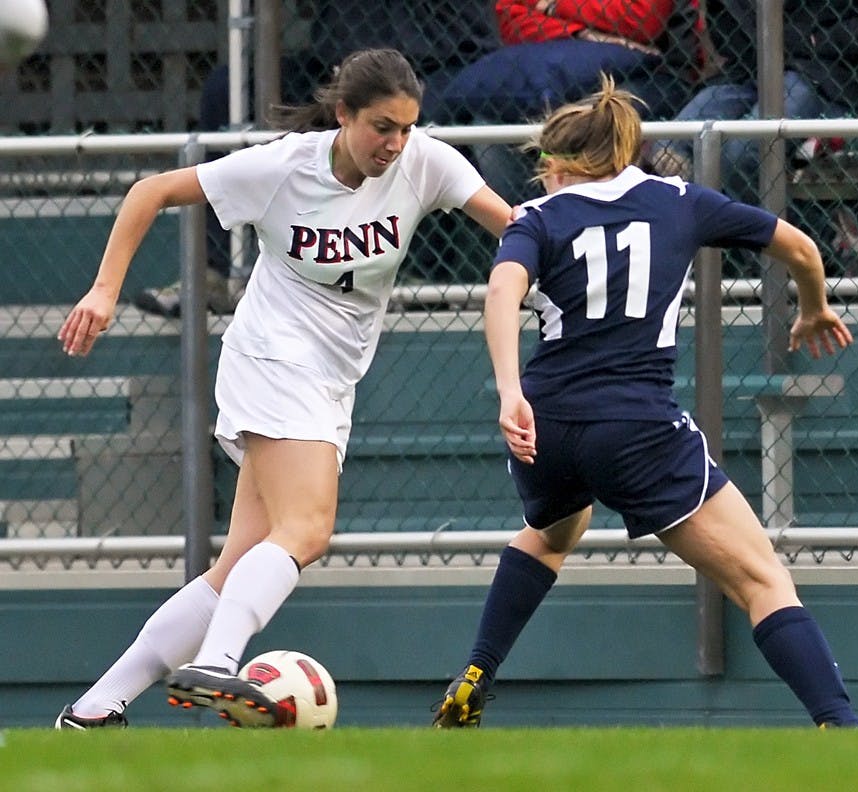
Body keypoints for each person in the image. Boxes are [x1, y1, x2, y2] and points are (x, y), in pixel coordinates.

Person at [53, 47, 512, 729]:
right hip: (271, 358)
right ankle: (218, 663)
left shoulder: (426, 163)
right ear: (344, 114)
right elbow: (150, 192)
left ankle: (93, 709)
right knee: (307, 527)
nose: (395, 143)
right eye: (382, 126)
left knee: (237, 566)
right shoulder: (283, 167)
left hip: (331, 380)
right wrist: (103, 290)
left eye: (407, 127)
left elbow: (513, 228)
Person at [432, 75, 858, 729]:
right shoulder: (677, 200)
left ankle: (476, 672)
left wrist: (509, 391)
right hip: (635, 425)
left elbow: (501, 292)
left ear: (559, 165)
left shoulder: (538, 218)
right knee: (762, 580)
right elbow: (801, 247)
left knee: (553, 533)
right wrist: (813, 306)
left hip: (548, 424)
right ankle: (842, 724)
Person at [133, 0, 503, 316]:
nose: (398, 142)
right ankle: (212, 275)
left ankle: (417, 275)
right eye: (388, 130)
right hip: (339, 70)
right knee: (224, 88)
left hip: (443, 65)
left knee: (415, 119)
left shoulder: (416, 142)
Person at [650, 0, 858, 256]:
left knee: (745, 152)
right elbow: (726, 30)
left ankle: (817, 254)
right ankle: (730, 264)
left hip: (822, 74)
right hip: (748, 73)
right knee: (669, 148)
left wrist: (824, 40)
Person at [441, 0, 705, 204]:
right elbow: (509, 17)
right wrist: (584, 33)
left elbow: (640, 18)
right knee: (490, 122)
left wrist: (555, 6)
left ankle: (598, 230)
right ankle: (531, 230)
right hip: (553, 70)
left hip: (647, 73)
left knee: (598, 117)